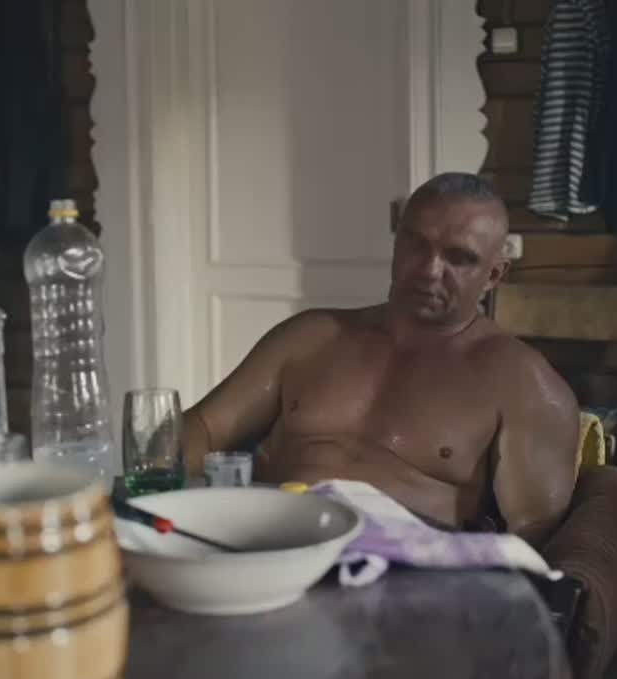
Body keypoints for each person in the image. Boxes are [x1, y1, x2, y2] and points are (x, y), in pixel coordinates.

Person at [182, 172, 580, 546]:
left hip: (402, 572)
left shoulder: (523, 383)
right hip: (270, 545)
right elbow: (202, 429)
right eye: (416, 244)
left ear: (493, 275)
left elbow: (534, 538)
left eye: (458, 258)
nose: (429, 270)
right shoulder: (310, 337)